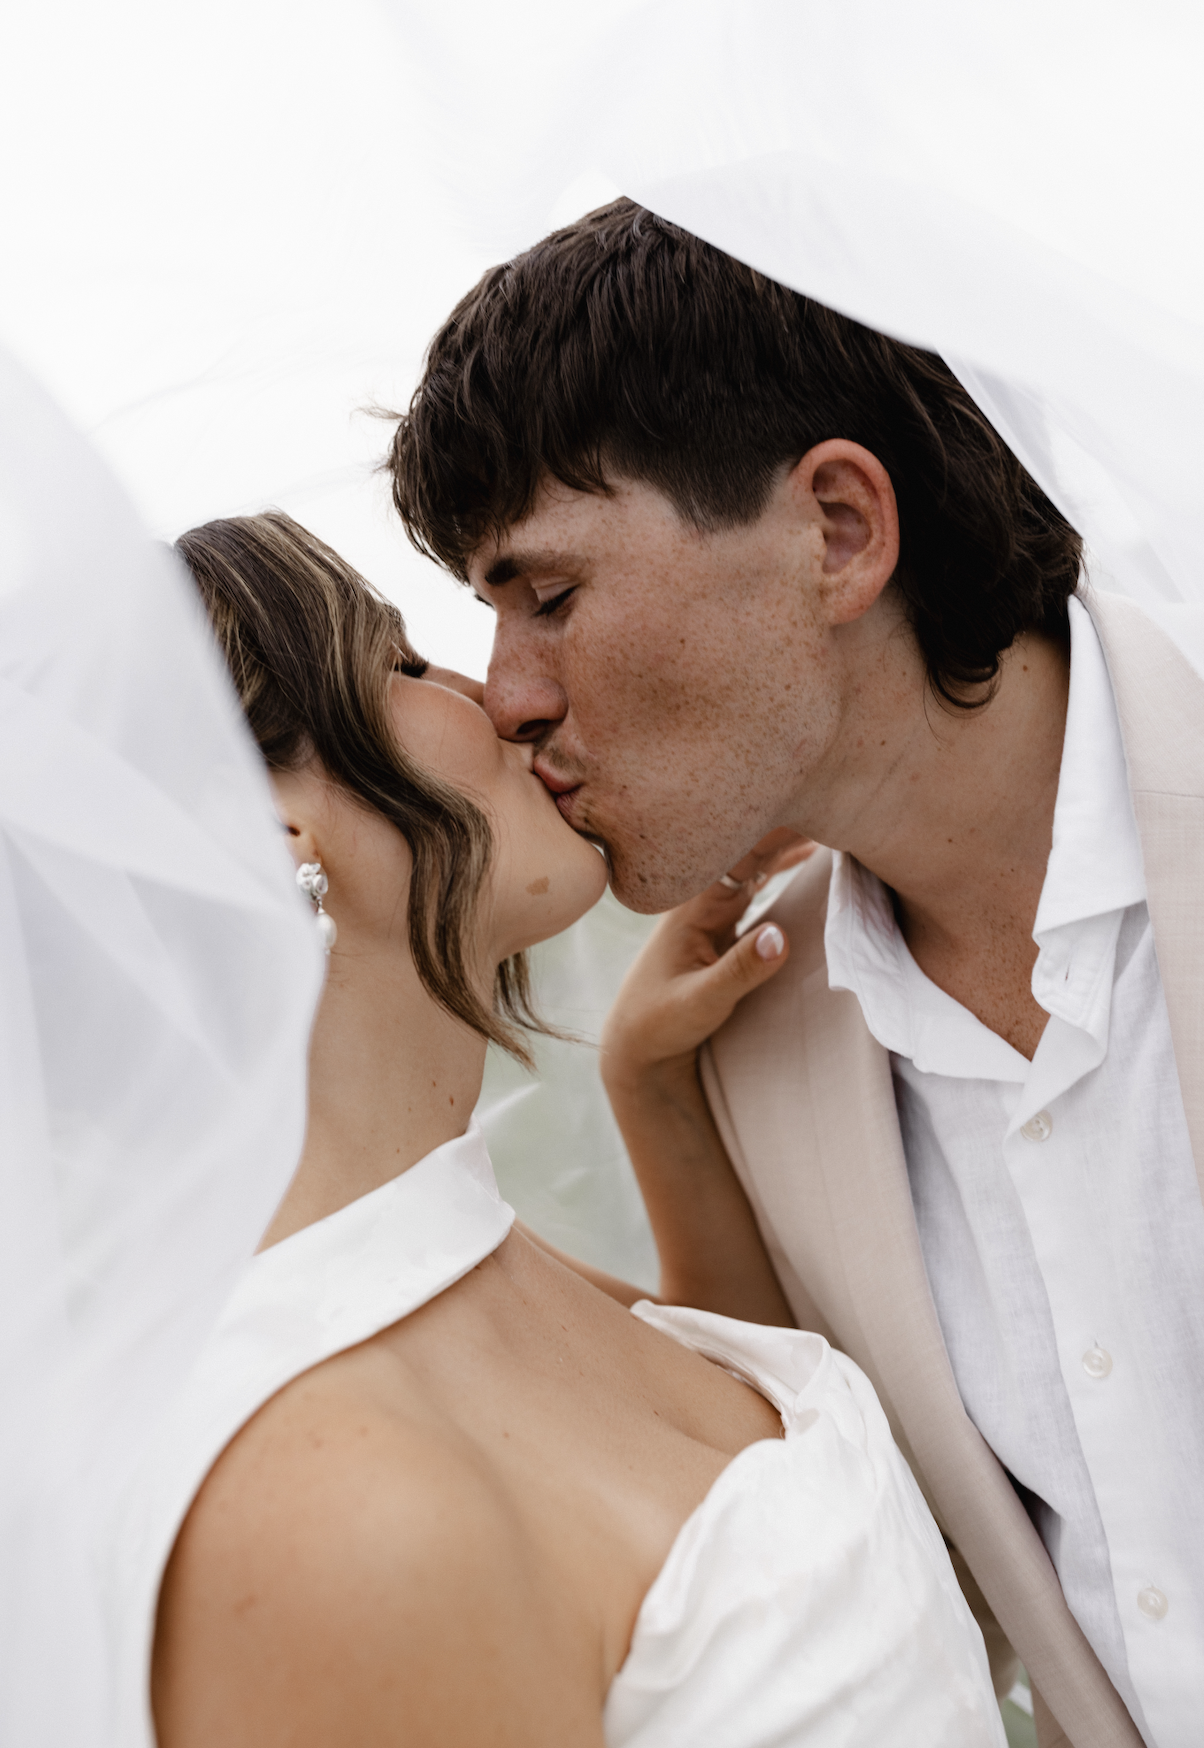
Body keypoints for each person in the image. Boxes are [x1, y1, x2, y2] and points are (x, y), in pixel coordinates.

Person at [387, 199, 1204, 1748]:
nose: (506, 699)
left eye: (549, 597)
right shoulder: (763, 1054)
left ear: (836, 530)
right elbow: (901, 1612)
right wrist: (659, 1103)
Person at [117, 510, 1005, 1748]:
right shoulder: (339, 1515)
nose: (495, 696)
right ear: (276, 841)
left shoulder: (447, 1249)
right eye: (400, 662)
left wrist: (656, 1090)